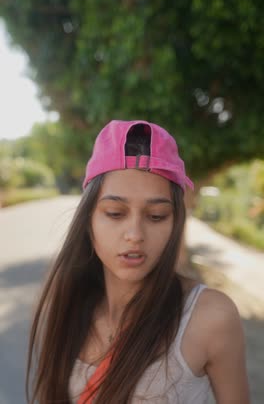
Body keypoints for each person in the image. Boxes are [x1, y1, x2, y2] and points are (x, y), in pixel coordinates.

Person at [26, 119, 250, 404]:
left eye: (156, 216)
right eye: (115, 213)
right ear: (88, 220)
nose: (135, 235)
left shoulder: (210, 317)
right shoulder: (67, 302)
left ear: (176, 222)